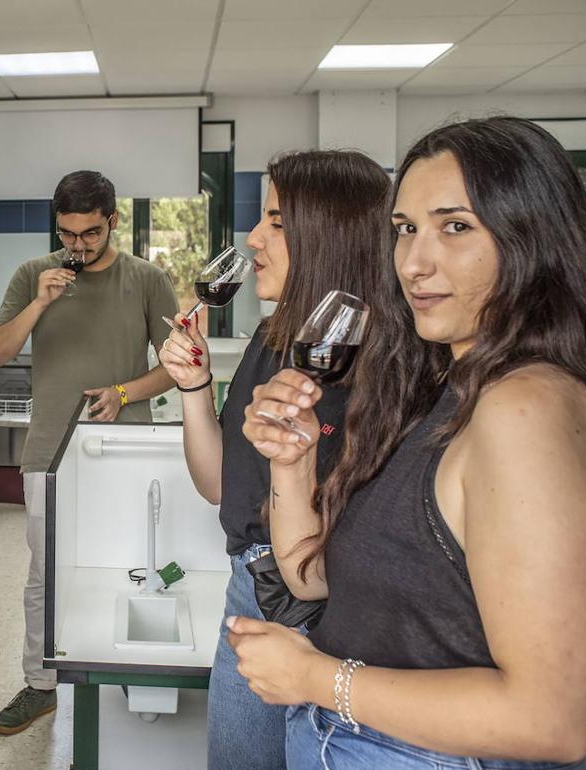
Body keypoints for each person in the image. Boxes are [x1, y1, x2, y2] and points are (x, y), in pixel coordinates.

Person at [233, 116, 586, 768]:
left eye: (456, 227)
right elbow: (311, 579)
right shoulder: (442, 389)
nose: (414, 263)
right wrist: (292, 461)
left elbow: (553, 719)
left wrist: (315, 679)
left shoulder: (527, 408)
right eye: (405, 229)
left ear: (534, 237)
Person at [156, 151, 391, 769]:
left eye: (277, 222)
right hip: (256, 588)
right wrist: (193, 388)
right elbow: (218, 484)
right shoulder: (274, 337)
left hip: (326, 608)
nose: (254, 238)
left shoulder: (387, 367)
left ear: (332, 236)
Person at [0, 170, 180, 735]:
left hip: (125, 451)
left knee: (127, 565)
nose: (78, 245)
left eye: (91, 233)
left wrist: (124, 393)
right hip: (49, 451)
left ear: (112, 221)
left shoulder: (146, 279)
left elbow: (178, 365)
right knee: (44, 574)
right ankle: (40, 685)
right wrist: (39, 304)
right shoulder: (33, 274)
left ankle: (125, 669)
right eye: (68, 233)